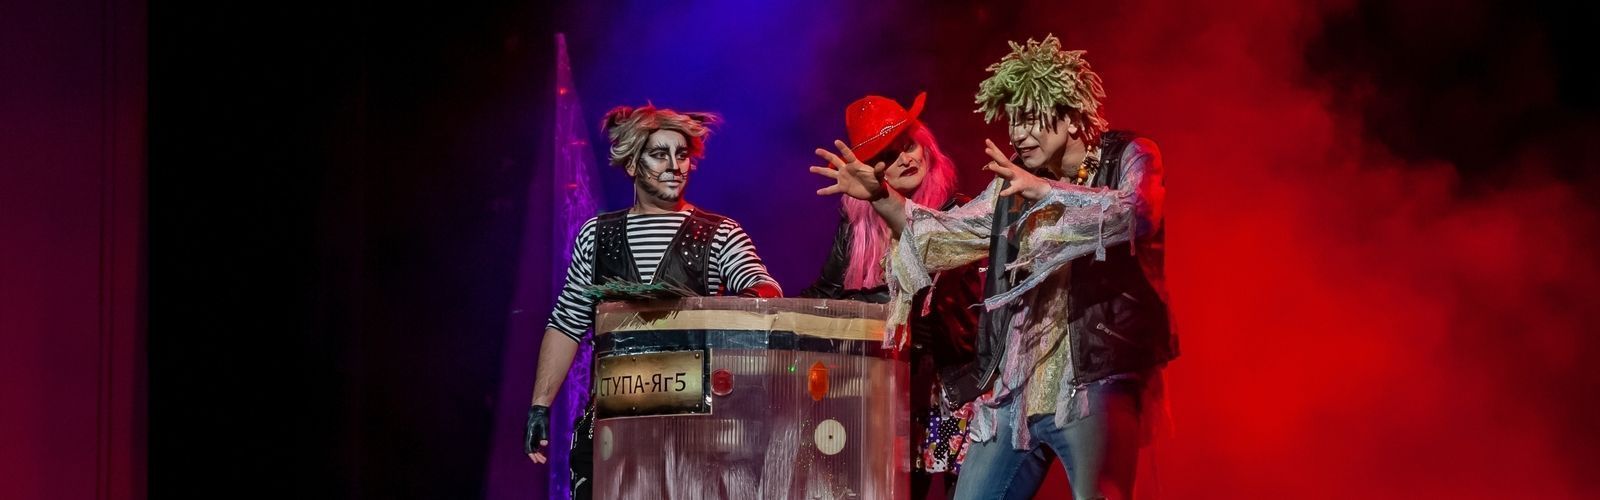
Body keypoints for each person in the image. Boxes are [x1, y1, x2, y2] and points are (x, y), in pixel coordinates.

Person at [809, 35, 1175, 500]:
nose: (1017, 134)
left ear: (1069, 115)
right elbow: (946, 234)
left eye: (1029, 118)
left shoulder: (1130, 155)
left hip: (1092, 379)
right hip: (1013, 390)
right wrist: (882, 196)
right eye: (1012, 121)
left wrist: (1048, 193)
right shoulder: (1013, 183)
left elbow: (1137, 214)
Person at [526, 104, 782, 499]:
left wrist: (747, 303)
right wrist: (540, 405)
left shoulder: (719, 233)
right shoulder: (596, 235)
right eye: (660, 154)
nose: (674, 166)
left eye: (682, 155)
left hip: (693, 429)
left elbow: (763, 289)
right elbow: (566, 321)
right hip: (614, 423)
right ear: (632, 164)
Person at [798, 92, 981, 499]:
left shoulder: (956, 212)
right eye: (888, 155)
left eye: (909, 145)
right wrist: (768, 311)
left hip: (948, 393)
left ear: (926, 146)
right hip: (889, 391)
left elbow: (930, 290)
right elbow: (826, 293)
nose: (905, 160)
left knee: (958, 490)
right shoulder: (857, 225)